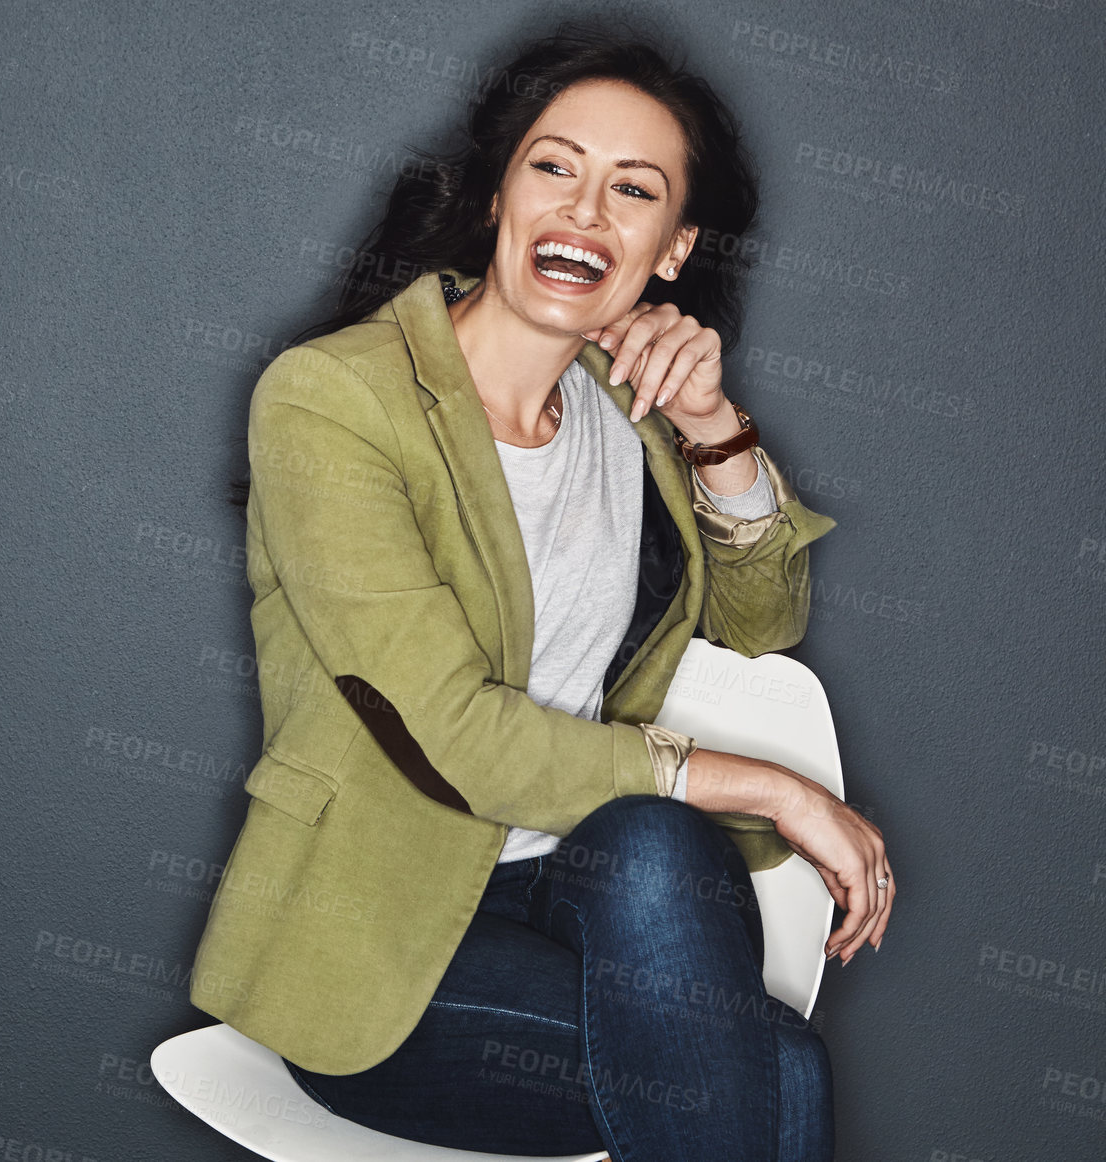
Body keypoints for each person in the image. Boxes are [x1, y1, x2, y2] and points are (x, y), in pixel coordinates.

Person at [188, 18, 893, 1162]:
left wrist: (714, 431)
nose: (582, 212)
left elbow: (762, 624)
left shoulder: (631, 407)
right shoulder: (330, 402)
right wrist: (776, 789)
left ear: (670, 248)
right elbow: (454, 732)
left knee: (663, 848)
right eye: (554, 167)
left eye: (632, 190)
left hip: (578, 888)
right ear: (494, 198)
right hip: (380, 936)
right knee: (780, 1066)